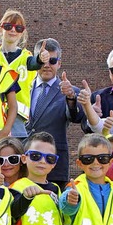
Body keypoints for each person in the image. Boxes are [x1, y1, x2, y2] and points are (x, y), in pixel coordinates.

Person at [25, 38, 84, 189]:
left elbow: (75, 117)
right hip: (23, 163)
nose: (46, 65)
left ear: (59, 63)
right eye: (43, 59)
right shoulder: (22, 88)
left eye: (52, 60)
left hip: (53, 167)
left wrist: (70, 97)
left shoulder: (70, 91)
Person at [0, 9, 49, 138]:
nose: (13, 30)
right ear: (1, 28)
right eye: (8, 26)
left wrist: (41, 59)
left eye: (18, 28)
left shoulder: (25, 57)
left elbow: (33, 63)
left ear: (22, 32)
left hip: (18, 118)